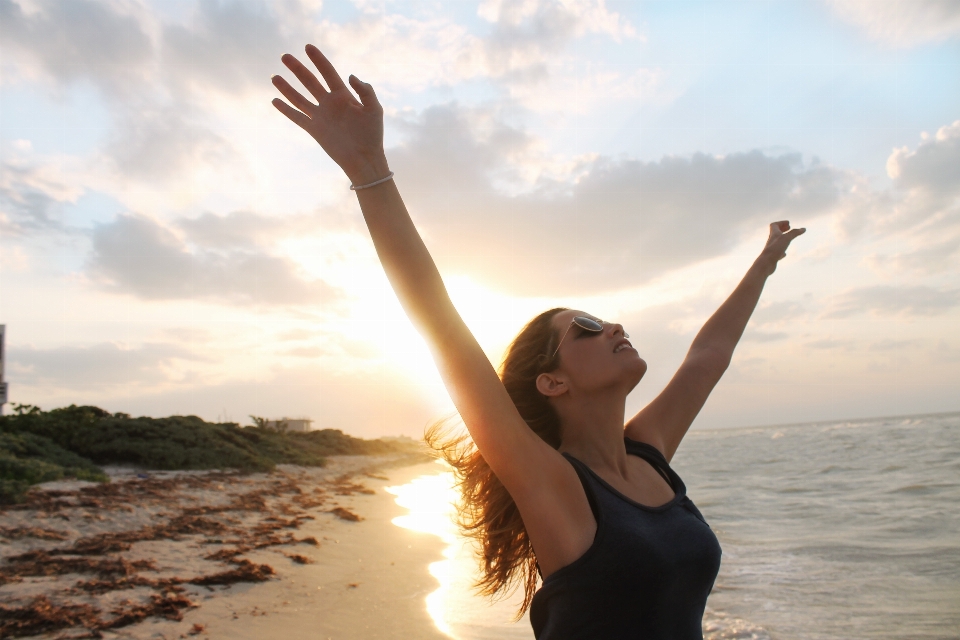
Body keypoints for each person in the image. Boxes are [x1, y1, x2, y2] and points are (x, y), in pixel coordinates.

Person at [271, 45, 806, 640]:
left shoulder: (649, 454)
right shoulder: (554, 484)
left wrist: (764, 265)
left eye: (604, 320)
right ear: (552, 382)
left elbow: (708, 358)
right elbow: (443, 329)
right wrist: (370, 169)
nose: (613, 327)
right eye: (587, 329)